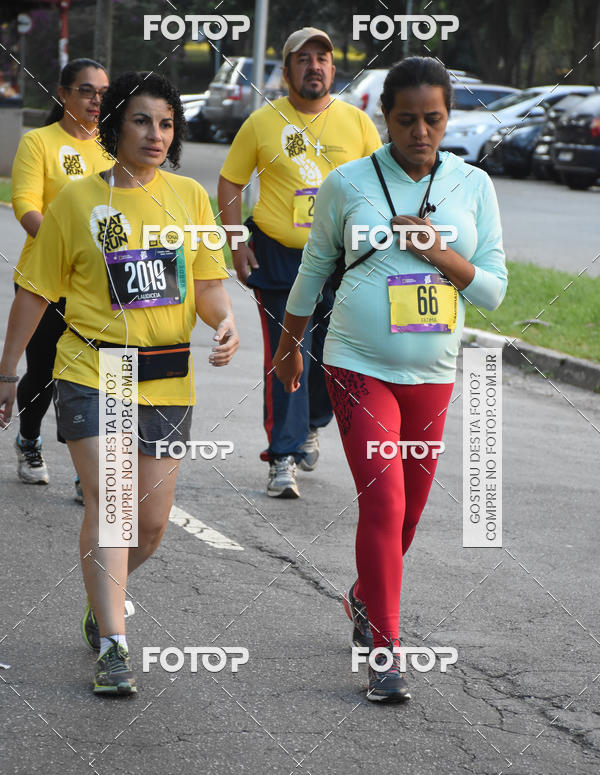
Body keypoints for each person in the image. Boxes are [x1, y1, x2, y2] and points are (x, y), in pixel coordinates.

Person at [274, 57, 507, 701]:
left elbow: (492, 291)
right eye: (406, 119)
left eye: (433, 119)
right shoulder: (348, 183)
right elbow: (312, 270)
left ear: (449, 117)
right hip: (358, 363)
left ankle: (364, 596)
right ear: (385, 117)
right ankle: (386, 650)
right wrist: (290, 348)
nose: (420, 132)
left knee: (411, 512)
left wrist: (440, 253)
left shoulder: (473, 185)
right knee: (384, 502)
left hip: (432, 372)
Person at [0, 72, 238, 695]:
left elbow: (209, 284)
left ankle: (102, 596)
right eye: (141, 121)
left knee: (150, 524)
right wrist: (8, 370)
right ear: (114, 127)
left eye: (166, 123)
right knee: (112, 503)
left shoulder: (190, 198)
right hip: (95, 367)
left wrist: (224, 321)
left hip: (167, 374)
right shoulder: (77, 201)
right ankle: (113, 643)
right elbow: (34, 291)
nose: (155, 134)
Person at [218, 27, 381, 498]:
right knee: (287, 352)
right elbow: (230, 182)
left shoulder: (357, 123)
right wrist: (236, 241)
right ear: (286, 71)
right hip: (280, 256)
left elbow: (382, 186)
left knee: (333, 356)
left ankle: (311, 422)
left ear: (333, 68)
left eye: (322, 58)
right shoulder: (262, 122)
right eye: (303, 58)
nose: (315, 66)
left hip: (344, 261)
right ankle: (282, 456)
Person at [11, 58, 109, 499]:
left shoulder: (112, 147)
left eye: (103, 93)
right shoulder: (39, 142)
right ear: (63, 93)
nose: (96, 100)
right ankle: (29, 439)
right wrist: (65, 249)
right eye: (86, 90)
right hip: (46, 280)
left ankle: (88, 472)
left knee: (99, 377)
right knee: (45, 373)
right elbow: (25, 204)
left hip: (101, 285)